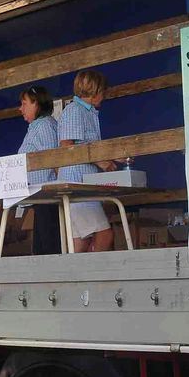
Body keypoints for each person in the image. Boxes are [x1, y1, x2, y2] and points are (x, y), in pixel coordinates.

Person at [58, 69, 117, 253]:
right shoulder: (74, 110)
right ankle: (96, 270)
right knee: (105, 234)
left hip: (82, 184)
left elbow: (85, 145)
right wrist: (100, 161)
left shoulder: (87, 112)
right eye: (103, 91)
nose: (104, 96)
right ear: (95, 91)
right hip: (76, 183)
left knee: (80, 242)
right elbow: (67, 145)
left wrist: (107, 158)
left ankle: (76, 271)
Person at [18, 86, 62, 255]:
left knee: (49, 248)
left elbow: (54, 159)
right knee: (41, 249)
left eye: (24, 103)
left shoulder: (44, 126)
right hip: (40, 197)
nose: (20, 108)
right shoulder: (37, 126)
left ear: (36, 104)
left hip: (47, 195)